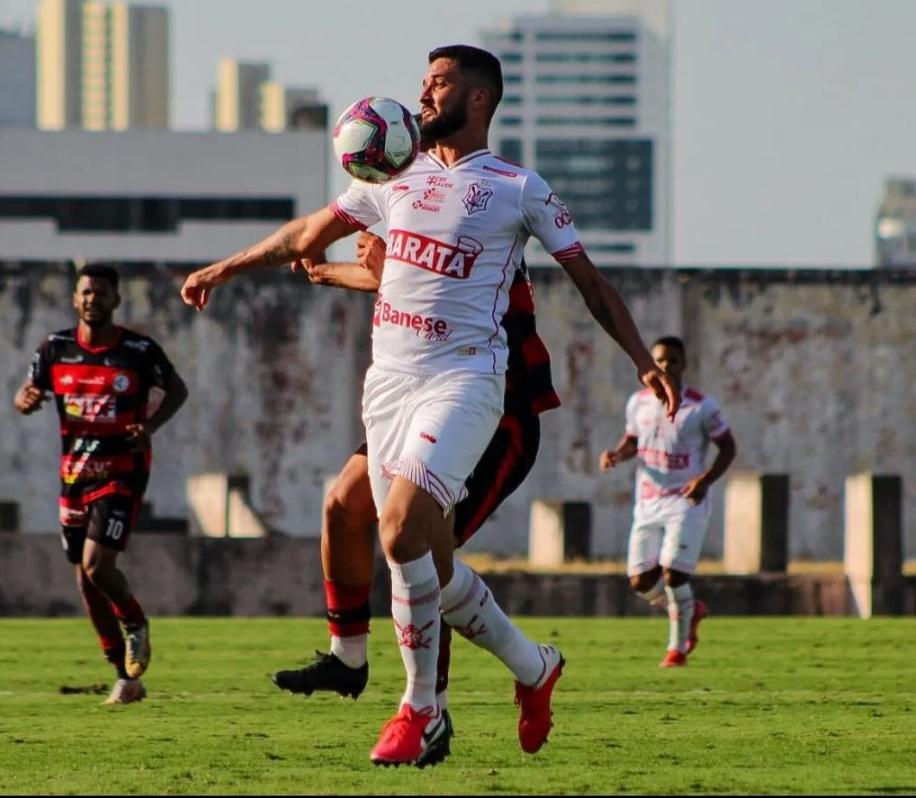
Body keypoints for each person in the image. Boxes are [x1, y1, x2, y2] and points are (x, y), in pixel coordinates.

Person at [180, 44, 680, 767]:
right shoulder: (393, 175)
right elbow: (308, 236)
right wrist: (225, 268)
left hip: (467, 380)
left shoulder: (517, 188)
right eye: (422, 83)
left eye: (438, 84)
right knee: (427, 566)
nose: (423, 96)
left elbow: (592, 285)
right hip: (388, 386)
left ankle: (420, 709)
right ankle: (533, 665)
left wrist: (641, 359)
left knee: (399, 531)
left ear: (478, 99)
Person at [273, 230, 561, 733]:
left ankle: (438, 707)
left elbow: (442, 298)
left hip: (494, 419)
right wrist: (323, 271)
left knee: (420, 553)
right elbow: (396, 279)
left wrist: (383, 269)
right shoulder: (419, 206)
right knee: (342, 506)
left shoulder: (483, 216)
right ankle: (348, 657)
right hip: (422, 405)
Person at [14, 263, 189, 705]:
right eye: (86, 292)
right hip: (74, 474)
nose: (93, 299)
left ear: (116, 300)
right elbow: (26, 391)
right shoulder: (55, 348)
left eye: (101, 293)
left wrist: (150, 426)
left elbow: (178, 390)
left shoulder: (138, 350)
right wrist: (25, 400)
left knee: (97, 565)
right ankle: (125, 677)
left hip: (122, 471)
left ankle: (136, 622)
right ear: (75, 299)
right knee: (85, 581)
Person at [598, 335, 736, 667]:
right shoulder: (638, 402)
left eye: (672, 360)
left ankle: (677, 649)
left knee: (674, 574)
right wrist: (616, 454)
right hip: (647, 500)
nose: (665, 366)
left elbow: (728, 447)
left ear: (684, 364)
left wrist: (704, 481)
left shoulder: (701, 407)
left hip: (685, 500)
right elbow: (633, 440)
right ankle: (690, 610)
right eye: (659, 360)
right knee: (641, 582)